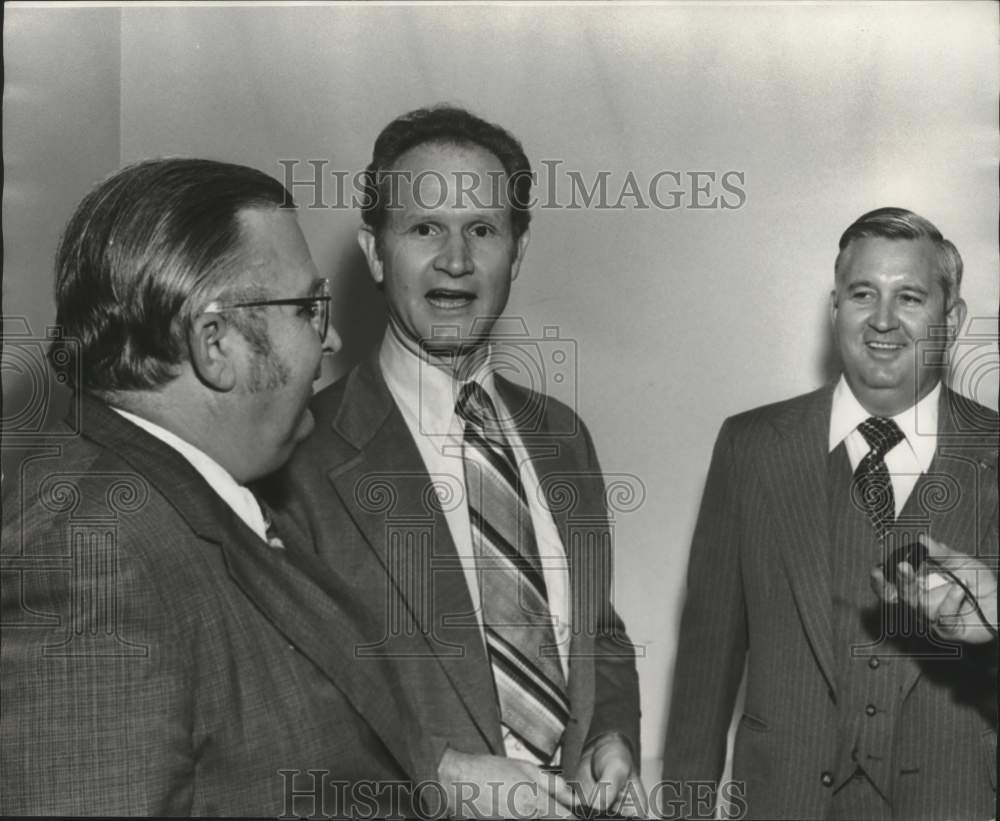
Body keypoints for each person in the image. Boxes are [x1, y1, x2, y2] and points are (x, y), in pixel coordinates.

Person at [0, 158, 437, 817]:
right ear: (215, 343)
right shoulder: (89, 557)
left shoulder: (192, 485)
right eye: (307, 309)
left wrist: (444, 776)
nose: (332, 338)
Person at [268, 106, 643, 819]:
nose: (456, 260)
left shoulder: (564, 438)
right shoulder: (296, 454)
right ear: (376, 252)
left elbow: (600, 630)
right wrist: (437, 774)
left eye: (482, 229)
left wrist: (610, 732)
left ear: (518, 250)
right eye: (424, 228)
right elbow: (281, 702)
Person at [661, 207, 998, 820]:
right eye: (863, 293)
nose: (884, 321)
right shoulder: (751, 446)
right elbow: (707, 659)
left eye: (912, 298)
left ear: (953, 319)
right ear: (835, 308)